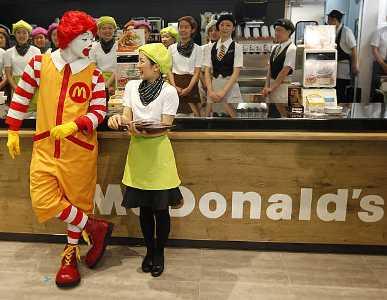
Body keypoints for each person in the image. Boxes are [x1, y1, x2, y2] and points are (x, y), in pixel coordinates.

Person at [5, 11, 113, 288]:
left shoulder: (94, 74)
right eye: (85, 37)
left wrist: (75, 125)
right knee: (42, 198)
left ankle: (69, 255)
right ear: (70, 37)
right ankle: (94, 227)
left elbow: (100, 111)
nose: (90, 43)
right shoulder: (39, 63)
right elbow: (21, 96)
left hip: (79, 150)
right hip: (45, 146)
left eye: (92, 37)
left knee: (76, 202)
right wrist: (13, 130)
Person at [107, 43, 182, 278]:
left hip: (158, 155)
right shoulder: (130, 86)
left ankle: (159, 253)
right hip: (138, 153)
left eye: (141, 61)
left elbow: (165, 125)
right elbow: (127, 116)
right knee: (145, 210)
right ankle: (149, 251)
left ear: (156, 67)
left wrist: (138, 130)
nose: (137, 66)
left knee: (161, 210)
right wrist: (118, 119)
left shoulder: (169, 92)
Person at [204, 14, 243, 117]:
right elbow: (207, 71)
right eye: (222, 25)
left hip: (229, 87)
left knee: (232, 121)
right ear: (218, 27)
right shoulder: (211, 47)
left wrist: (223, 92)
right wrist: (210, 91)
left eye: (228, 25)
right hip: (214, 86)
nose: (225, 28)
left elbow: (236, 73)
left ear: (233, 28)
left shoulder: (237, 47)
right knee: (213, 119)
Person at [168, 16, 202, 116]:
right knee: (175, 115)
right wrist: (174, 86)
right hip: (175, 83)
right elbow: (169, 70)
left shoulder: (198, 49)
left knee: (195, 115)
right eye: (181, 27)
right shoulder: (171, 48)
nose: (183, 30)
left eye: (186, 27)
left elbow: (197, 73)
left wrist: (188, 88)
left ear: (192, 30)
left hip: (191, 84)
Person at [4, 20, 40, 112]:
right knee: (18, 113)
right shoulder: (8, 52)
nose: (21, 35)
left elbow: (39, 71)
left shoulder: (36, 50)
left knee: (34, 113)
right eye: (18, 33)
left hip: (33, 85)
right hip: (16, 85)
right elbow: (8, 75)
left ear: (29, 35)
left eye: (24, 33)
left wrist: (33, 88)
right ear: (14, 35)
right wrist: (17, 88)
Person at [327, 9, 359, 103]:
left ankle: (343, 114)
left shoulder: (346, 32)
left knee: (341, 91)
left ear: (335, 20)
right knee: (334, 90)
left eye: (329, 20)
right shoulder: (332, 31)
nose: (328, 22)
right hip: (333, 67)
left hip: (344, 67)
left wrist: (355, 65)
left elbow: (354, 49)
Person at [262, 18, 296, 104]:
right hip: (272, 87)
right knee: (271, 114)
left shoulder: (292, 49)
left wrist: (271, 88)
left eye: (280, 30)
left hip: (283, 87)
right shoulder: (275, 47)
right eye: (276, 30)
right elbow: (270, 69)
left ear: (289, 32)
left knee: (282, 115)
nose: (277, 33)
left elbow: (284, 71)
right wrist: (266, 86)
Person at [90, 16, 117, 97]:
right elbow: (92, 68)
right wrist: (102, 86)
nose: (107, 31)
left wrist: (108, 85)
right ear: (98, 31)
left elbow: (120, 67)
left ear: (114, 30)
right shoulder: (93, 47)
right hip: (99, 83)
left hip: (117, 81)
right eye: (104, 28)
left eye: (110, 28)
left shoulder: (120, 46)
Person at [200, 19, 219, 116]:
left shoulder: (225, 48)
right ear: (207, 33)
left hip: (219, 82)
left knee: (219, 111)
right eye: (211, 30)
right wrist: (205, 84)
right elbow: (198, 69)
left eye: (216, 30)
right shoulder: (202, 49)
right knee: (206, 110)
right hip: (204, 83)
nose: (214, 33)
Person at [370, 24, 387, 102]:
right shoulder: (379, 32)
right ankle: (375, 111)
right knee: (377, 90)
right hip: (379, 64)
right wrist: (383, 64)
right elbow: (374, 50)